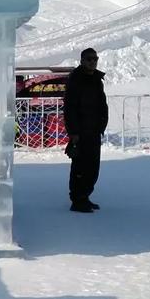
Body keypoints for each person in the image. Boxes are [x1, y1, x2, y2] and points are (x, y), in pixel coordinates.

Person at [63, 46, 109, 213]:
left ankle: (85, 196)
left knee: (92, 167)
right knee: (80, 167)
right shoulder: (76, 79)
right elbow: (70, 107)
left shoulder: (96, 79)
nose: (92, 62)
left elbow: (101, 104)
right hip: (81, 131)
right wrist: (73, 132)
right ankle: (77, 199)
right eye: (89, 59)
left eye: (95, 59)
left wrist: (102, 123)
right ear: (82, 61)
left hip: (94, 130)